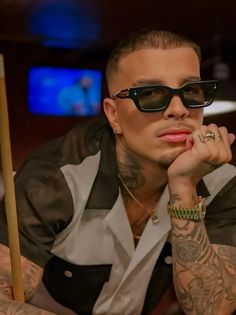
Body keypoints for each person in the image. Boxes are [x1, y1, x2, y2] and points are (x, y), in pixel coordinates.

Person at [1, 29, 236, 315]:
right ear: (114, 115)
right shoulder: (56, 177)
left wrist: (184, 187)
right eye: (149, 94)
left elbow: (210, 310)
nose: (179, 109)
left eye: (191, 91)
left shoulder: (220, 180)